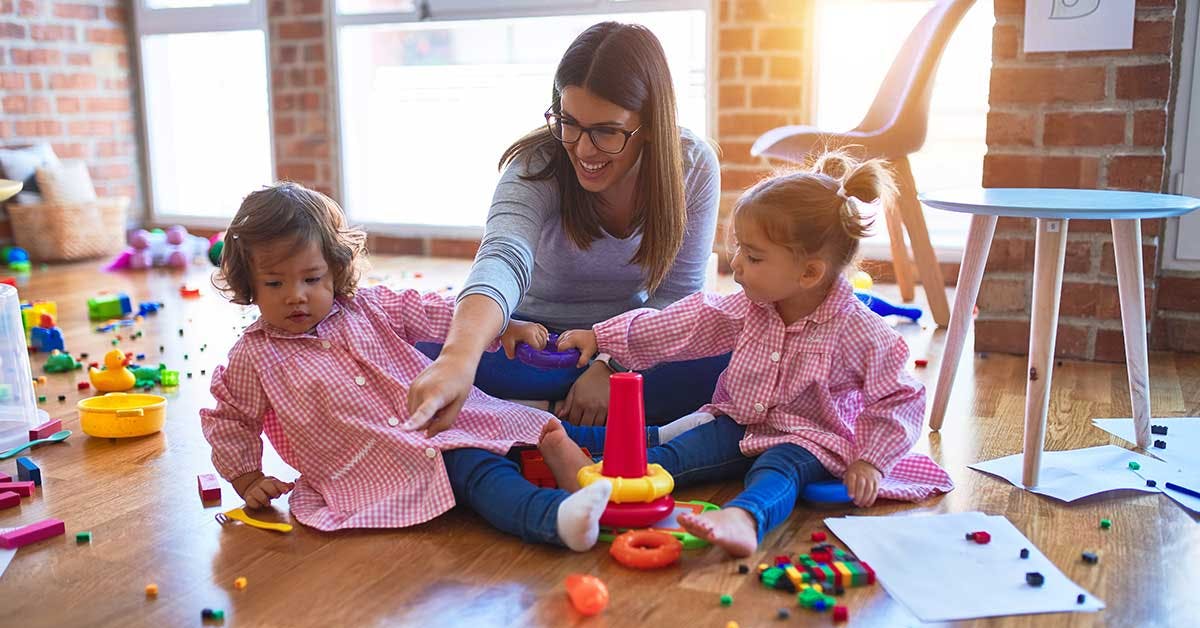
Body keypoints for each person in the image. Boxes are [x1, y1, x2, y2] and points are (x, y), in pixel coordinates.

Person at [538, 152, 954, 558]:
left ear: (809, 273)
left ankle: (743, 519)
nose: (736, 265)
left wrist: (871, 461)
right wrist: (603, 336)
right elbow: (685, 323)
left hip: (809, 441)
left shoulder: (861, 330)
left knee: (777, 472)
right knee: (680, 452)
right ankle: (599, 479)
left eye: (753, 257)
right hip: (742, 421)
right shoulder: (751, 305)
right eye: (740, 249)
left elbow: (900, 398)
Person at [201, 182, 653, 550]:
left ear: (334, 270)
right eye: (275, 283)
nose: (295, 295)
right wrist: (247, 476)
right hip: (376, 463)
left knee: (534, 427)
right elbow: (230, 418)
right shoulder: (254, 355)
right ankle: (554, 518)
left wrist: (503, 326)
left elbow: (440, 314)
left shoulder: (368, 305)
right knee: (482, 469)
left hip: (443, 420)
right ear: (249, 284)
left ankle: (658, 441)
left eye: (311, 279)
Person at [408, 21, 725, 433]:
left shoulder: (693, 167)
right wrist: (458, 359)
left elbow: (678, 298)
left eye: (607, 131)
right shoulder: (536, 165)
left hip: (631, 338)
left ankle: (527, 415)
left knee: (730, 358)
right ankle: (593, 420)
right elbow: (503, 257)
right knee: (419, 349)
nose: (582, 148)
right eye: (568, 121)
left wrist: (612, 364)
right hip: (529, 343)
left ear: (649, 125)